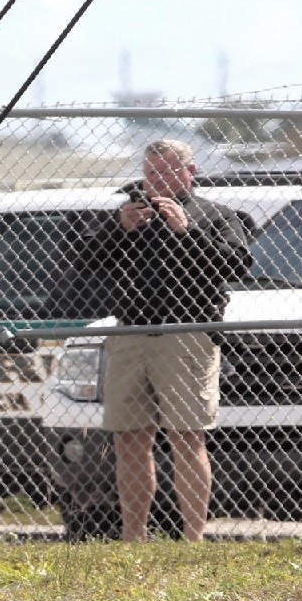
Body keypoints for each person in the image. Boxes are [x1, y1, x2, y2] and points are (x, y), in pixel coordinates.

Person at [69, 138, 252, 542]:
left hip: (185, 335)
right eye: (152, 173)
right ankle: (135, 535)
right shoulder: (126, 214)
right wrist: (121, 229)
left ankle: (194, 537)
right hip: (131, 334)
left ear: (191, 172)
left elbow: (237, 264)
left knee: (187, 436)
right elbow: (82, 263)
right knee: (129, 438)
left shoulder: (215, 215)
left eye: (169, 171)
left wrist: (184, 231)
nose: (159, 181)